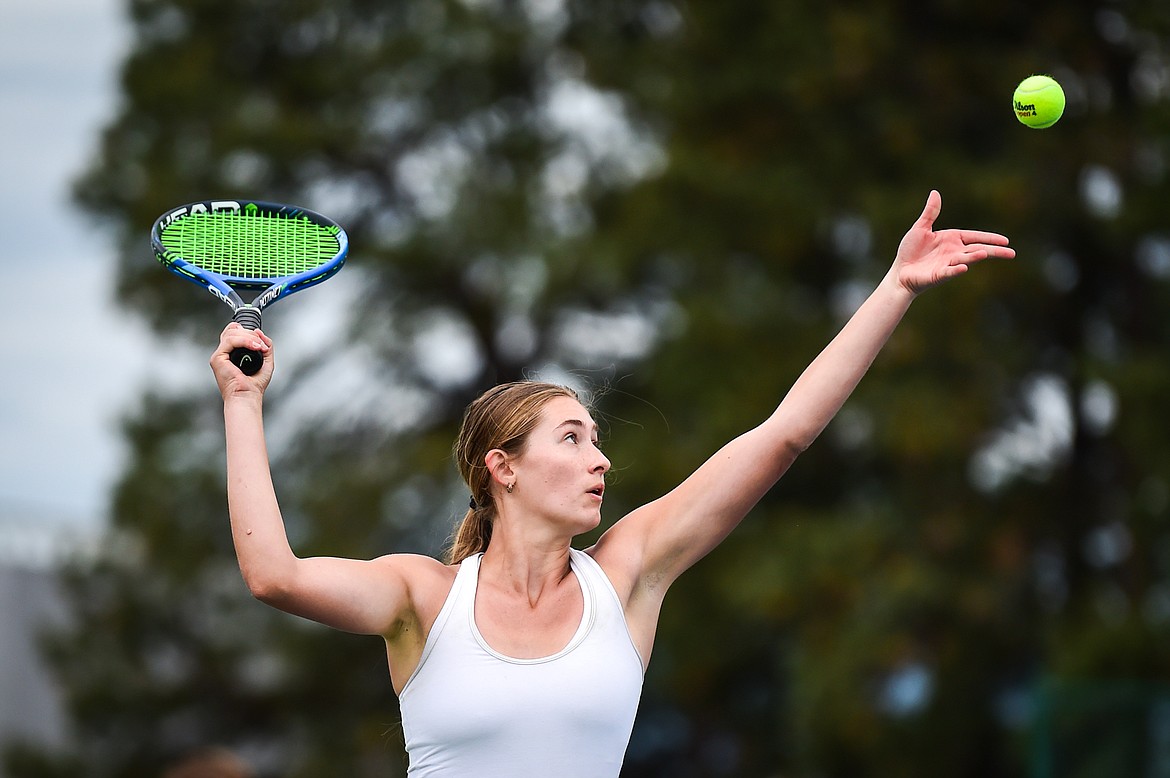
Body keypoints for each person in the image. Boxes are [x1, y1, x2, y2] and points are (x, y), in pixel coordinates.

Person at [210, 190, 1013, 776]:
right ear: (504, 468)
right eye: (572, 438)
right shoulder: (421, 599)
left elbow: (785, 434)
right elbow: (272, 574)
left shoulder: (627, 575)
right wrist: (243, 401)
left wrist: (894, 291)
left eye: (597, 439)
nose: (600, 459)